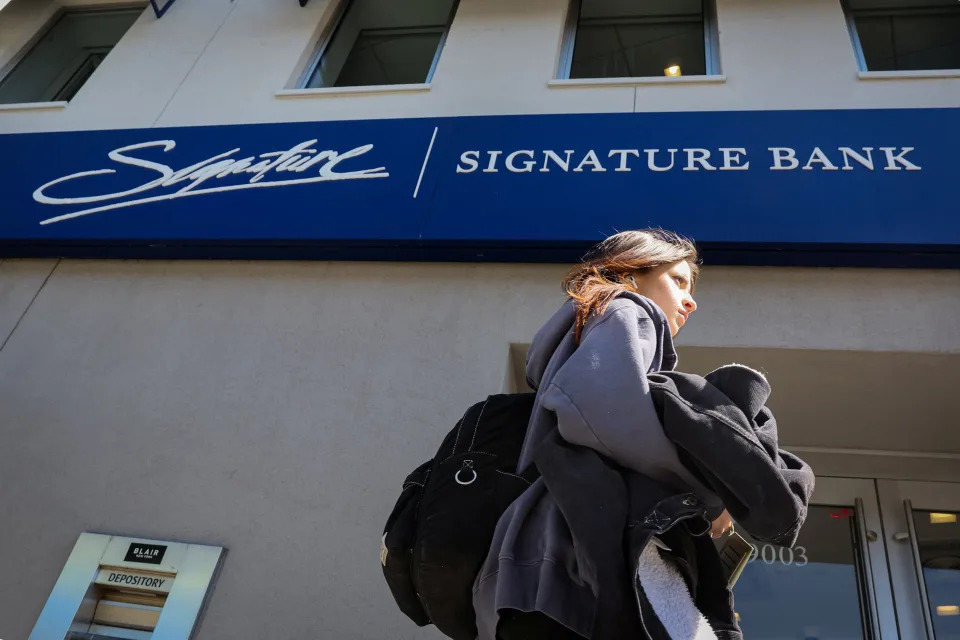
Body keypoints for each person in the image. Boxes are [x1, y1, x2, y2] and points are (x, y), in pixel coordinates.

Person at [472, 229, 806, 640]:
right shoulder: (626, 309)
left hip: (536, 562)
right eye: (677, 280)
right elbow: (603, 411)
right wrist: (707, 494)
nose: (691, 300)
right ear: (632, 272)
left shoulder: (576, 333)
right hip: (589, 552)